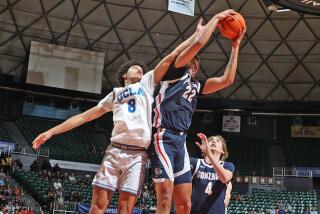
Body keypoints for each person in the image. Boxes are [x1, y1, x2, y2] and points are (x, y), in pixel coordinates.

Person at [31, 26, 202, 214]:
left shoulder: (146, 83)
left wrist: (195, 36)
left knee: (125, 209)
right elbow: (83, 116)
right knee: (97, 207)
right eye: (133, 67)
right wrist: (51, 131)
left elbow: (172, 56)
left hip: (137, 155)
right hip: (114, 151)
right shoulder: (115, 94)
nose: (139, 67)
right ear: (124, 76)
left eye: (141, 68)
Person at [150, 9, 246, 214]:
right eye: (192, 61)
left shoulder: (197, 85)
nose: (194, 65)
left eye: (196, 64)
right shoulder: (174, 72)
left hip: (181, 141)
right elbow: (198, 44)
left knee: (185, 204)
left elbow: (227, 80)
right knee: (165, 198)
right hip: (164, 137)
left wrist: (235, 47)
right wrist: (217, 18)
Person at [189, 134, 234, 214]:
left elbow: (225, 178)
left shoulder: (227, 165)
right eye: (210, 140)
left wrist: (208, 153)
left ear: (223, 151)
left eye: (218, 141)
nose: (213, 141)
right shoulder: (195, 162)